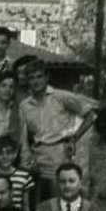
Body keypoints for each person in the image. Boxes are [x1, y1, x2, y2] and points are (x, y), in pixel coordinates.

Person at [19, 59, 99, 200]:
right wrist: (28, 160)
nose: (36, 81)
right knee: (40, 204)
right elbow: (25, 136)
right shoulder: (25, 105)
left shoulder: (61, 97)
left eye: (39, 77)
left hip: (61, 156)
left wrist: (75, 137)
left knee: (62, 200)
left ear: (46, 77)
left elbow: (90, 115)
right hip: (38, 159)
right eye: (31, 78)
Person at [0, 135, 36, 211]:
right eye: (0, 153)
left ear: (15, 154)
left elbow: (26, 205)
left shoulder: (25, 176)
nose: (5, 157)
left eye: (9, 153)